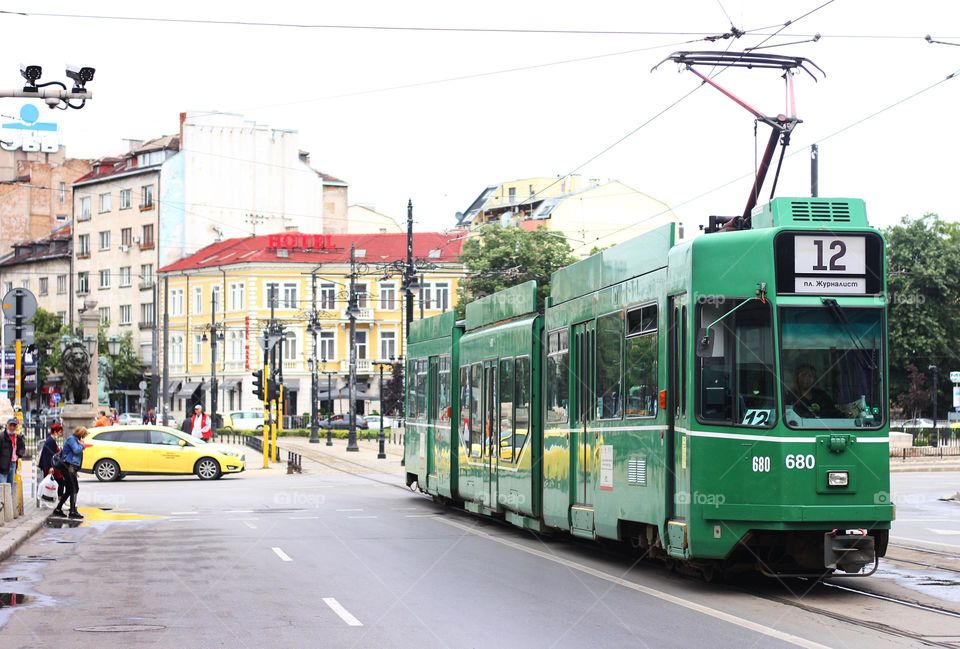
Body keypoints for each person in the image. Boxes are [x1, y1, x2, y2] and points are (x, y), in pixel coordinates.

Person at [53, 426, 88, 519]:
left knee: (69, 489)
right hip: (68, 467)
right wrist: (82, 445)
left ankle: (58, 509)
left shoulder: (75, 440)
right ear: (81, 434)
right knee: (74, 488)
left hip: (70, 468)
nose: (84, 437)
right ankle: (72, 511)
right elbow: (76, 450)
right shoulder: (72, 439)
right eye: (84, 435)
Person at [38, 422, 66, 502]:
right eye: (60, 432)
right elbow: (49, 455)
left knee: (57, 482)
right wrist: (51, 467)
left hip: (50, 466)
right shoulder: (50, 441)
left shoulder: (51, 440)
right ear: (55, 432)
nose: (60, 434)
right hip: (50, 466)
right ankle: (59, 500)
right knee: (59, 482)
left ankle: (57, 499)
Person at [0, 418, 26, 485]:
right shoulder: (1, 436)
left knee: (10, 485)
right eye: (10, 425)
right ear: (7, 426)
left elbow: (22, 447)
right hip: (3, 465)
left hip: (13, 463)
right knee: (3, 486)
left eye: (14, 426)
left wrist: (19, 454)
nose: (12, 427)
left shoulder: (18, 437)